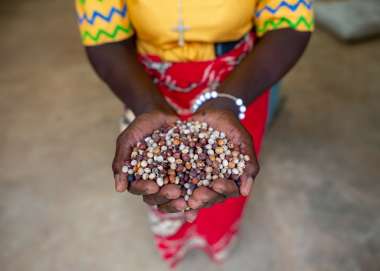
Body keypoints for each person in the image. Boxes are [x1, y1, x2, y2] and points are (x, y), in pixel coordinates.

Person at [75, 0, 313, 267]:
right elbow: (103, 36)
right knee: (165, 193)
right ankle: (175, 244)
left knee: (227, 188)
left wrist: (227, 101)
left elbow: (291, 23)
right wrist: (147, 106)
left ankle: (218, 240)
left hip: (242, 82)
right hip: (143, 84)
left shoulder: (233, 100)